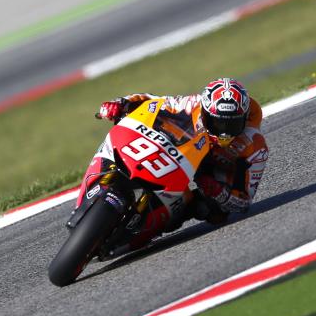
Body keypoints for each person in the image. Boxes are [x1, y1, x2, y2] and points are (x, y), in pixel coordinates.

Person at [95, 78, 268, 227]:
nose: (224, 132)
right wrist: (120, 103)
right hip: (183, 152)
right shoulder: (194, 104)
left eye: (231, 125)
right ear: (205, 112)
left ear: (244, 119)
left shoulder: (255, 146)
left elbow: (244, 203)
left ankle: (164, 217)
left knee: (214, 212)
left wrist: (218, 191)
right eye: (217, 123)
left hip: (211, 173)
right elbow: (154, 102)